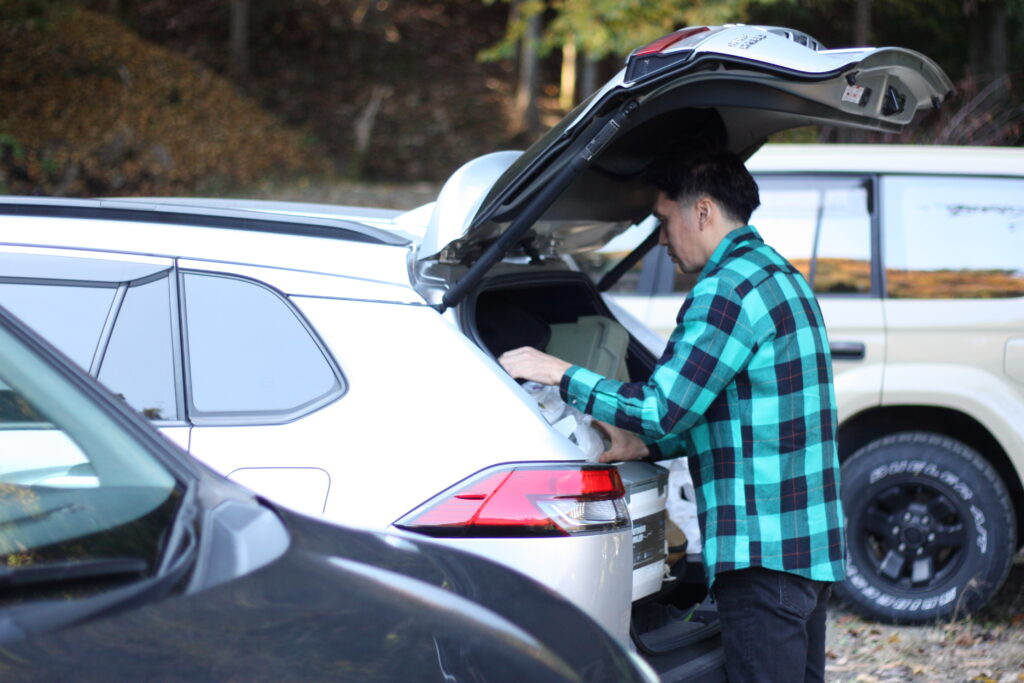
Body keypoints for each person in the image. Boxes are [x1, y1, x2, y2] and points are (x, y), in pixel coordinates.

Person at [499, 146, 846, 683]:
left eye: (664, 221)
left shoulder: (726, 291)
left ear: (702, 211)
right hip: (806, 546)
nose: (661, 239)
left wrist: (557, 372)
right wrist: (646, 448)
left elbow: (663, 408)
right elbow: (741, 412)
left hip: (763, 554)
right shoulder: (779, 275)